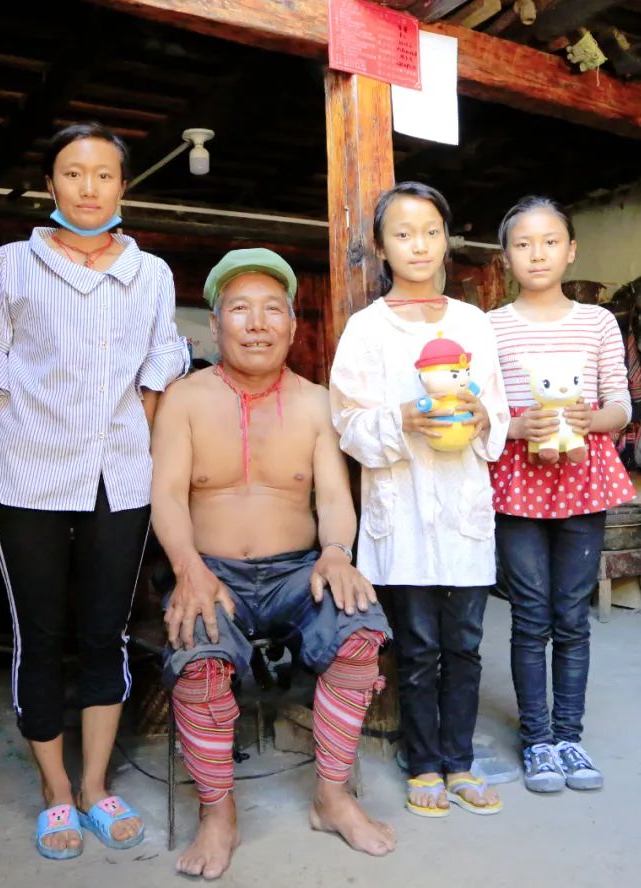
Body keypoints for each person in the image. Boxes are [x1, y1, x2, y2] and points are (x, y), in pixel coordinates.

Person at [0, 122, 189, 859]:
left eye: (104, 174)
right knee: (40, 634)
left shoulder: (149, 274)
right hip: (24, 473)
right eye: (74, 173)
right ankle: (55, 791)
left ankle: (95, 787)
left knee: (105, 633)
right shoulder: (9, 266)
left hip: (118, 478)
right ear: (50, 184)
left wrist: (141, 449)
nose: (89, 187)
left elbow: (155, 374)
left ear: (123, 185)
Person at [151, 248, 395, 879]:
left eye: (271, 311)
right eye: (240, 309)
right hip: (210, 569)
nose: (256, 323)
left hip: (297, 571)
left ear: (292, 326)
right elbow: (167, 497)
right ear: (214, 325)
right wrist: (186, 567)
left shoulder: (317, 403)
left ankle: (331, 797)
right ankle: (218, 813)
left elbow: (336, 498)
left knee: (361, 630)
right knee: (198, 656)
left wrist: (338, 554)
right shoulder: (183, 399)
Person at [328, 182, 510, 818]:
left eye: (430, 231)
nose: (419, 245)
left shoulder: (472, 323)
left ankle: (459, 762)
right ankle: (423, 763)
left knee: (463, 644)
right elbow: (347, 421)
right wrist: (403, 418)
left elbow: (499, 409)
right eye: (402, 233)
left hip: (462, 509)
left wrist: (481, 419)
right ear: (382, 246)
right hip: (399, 514)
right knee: (416, 648)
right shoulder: (364, 329)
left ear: (446, 239)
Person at [488, 195, 636, 793]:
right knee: (530, 615)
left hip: (584, 476)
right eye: (523, 244)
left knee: (572, 615)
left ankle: (569, 737)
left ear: (571, 250)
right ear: (506, 257)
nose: (537, 253)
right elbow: (483, 411)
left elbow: (621, 405)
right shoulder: (491, 326)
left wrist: (590, 419)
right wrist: (518, 427)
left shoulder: (598, 322)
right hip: (519, 480)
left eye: (550, 241)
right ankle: (537, 742)